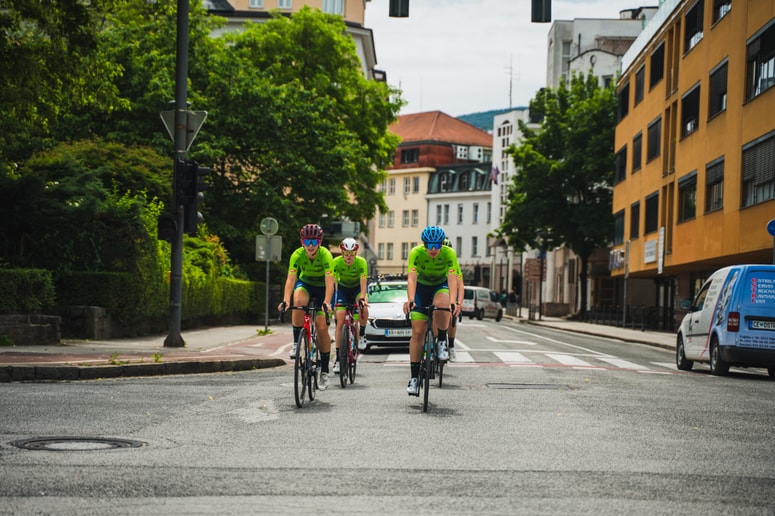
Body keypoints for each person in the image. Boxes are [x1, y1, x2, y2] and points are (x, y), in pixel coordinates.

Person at [402, 226, 461, 396]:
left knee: (443, 304)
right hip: (421, 289)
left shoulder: (449, 253)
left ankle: (442, 341)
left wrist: (453, 302)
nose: (433, 249)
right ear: (424, 244)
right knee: (418, 333)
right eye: (430, 245)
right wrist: (411, 299)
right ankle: (414, 378)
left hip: (440, 286)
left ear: (442, 244)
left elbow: (452, 280)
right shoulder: (416, 253)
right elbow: (412, 279)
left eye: (437, 245)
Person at [278, 224, 335, 391]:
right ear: (302, 242)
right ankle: (297, 343)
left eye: (314, 241)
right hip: (307, 284)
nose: (310, 245)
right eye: (307, 241)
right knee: (298, 301)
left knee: (322, 327)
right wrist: (285, 300)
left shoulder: (326, 255)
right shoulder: (297, 255)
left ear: (320, 242)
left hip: (323, 287)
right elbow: (291, 279)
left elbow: (330, 281)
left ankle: (324, 370)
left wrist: (327, 301)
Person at [331, 237, 370, 374]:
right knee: (340, 321)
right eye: (346, 254)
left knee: (363, 308)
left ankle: (362, 334)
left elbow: (363, 283)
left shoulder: (361, 262)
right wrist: (334, 303)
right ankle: (337, 359)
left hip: (357, 289)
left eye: (351, 254)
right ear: (342, 253)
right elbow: (333, 284)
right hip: (342, 289)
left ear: (355, 253)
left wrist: (362, 298)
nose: (348, 257)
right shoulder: (335, 262)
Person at [440, 237, 463, 362]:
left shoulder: (453, 263)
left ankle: (451, 346)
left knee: (451, 317)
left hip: (449, 293)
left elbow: (460, 285)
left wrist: (459, 303)